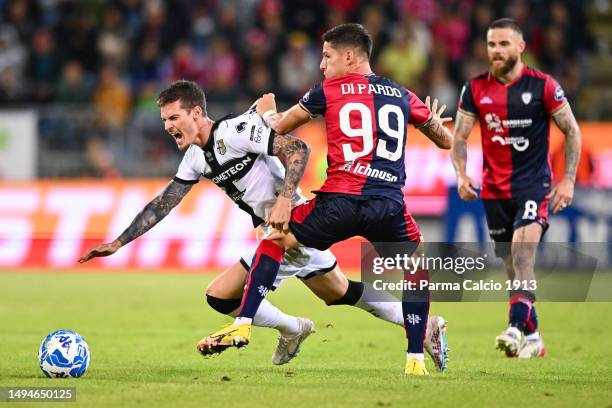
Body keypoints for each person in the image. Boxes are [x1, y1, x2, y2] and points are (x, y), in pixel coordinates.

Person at [78, 79, 448, 368]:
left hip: (292, 227)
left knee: (219, 295)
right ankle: (417, 323)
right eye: (164, 121)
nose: (168, 127)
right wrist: (119, 242)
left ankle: (290, 328)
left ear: (195, 112)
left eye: (174, 118)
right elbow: (164, 203)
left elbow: (297, 149)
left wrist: (286, 198)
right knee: (337, 292)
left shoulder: (235, 132)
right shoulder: (194, 158)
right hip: (279, 230)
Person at [199, 23, 453, 375]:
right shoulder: (401, 93)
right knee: (415, 266)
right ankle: (414, 359)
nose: (322, 64)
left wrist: (267, 110)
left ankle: (243, 321)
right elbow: (445, 141)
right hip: (387, 205)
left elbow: (282, 126)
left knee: (277, 238)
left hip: (340, 201)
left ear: (349, 56)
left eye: (327, 56)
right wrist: (434, 122)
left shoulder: (329, 89)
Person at [451, 18, 581, 358]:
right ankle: (534, 337)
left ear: (520, 47)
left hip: (533, 186)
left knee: (524, 255)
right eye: (492, 44)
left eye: (504, 44)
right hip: (494, 190)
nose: (496, 50)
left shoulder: (544, 86)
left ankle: (515, 327)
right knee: (512, 266)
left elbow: (572, 130)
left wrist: (568, 178)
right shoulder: (475, 88)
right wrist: (462, 174)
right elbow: (460, 137)